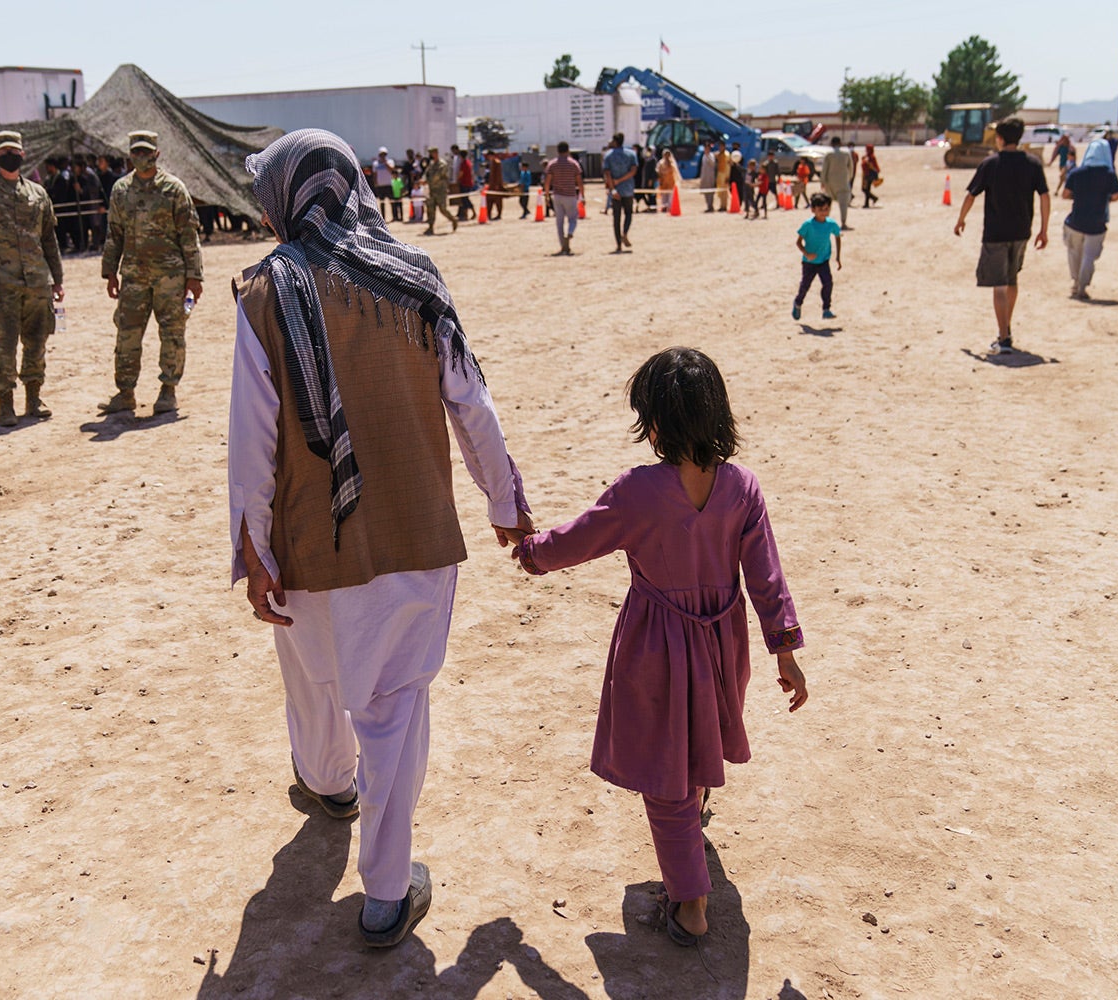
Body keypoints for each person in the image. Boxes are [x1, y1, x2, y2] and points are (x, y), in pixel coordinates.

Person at [231, 128, 534, 950]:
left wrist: (254, 550)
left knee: (314, 675)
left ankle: (328, 786)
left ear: (287, 194)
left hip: (305, 540)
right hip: (414, 537)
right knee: (394, 708)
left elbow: (251, 442)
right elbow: (471, 402)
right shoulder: (415, 276)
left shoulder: (267, 289)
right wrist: (503, 500)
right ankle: (385, 896)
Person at [510, 346, 806, 947]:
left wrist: (530, 551)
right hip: (723, 643)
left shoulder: (638, 491)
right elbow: (766, 577)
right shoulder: (742, 488)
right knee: (695, 747)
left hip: (656, 649)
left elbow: (575, 542)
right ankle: (692, 832)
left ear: (654, 424)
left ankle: (690, 904)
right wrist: (785, 649)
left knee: (664, 775)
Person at [0, 130, 65, 426]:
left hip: (37, 284)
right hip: (2, 285)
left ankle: (34, 398)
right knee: (4, 345)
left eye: (15, 151)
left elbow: (49, 240)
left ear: (22, 154)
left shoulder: (37, 193)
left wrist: (57, 279)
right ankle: (5, 404)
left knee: (37, 342)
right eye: (4, 151)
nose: (11, 155)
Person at [99, 131, 204, 415]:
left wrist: (194, 276)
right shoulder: (121, 190)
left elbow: (188, 235)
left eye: (146, 152)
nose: (141, 157)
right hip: (133, 277)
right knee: (127, 334)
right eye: (136, 152)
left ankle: (168, 390)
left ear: (156, 154)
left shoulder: (174, 189)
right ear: (130, 155)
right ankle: (125, 392)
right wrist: (110, 272)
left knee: (172, 332)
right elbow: (114, 234)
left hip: (170, 277)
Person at [952, 118, 1050, 356]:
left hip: (996, 233)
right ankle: (1005, 328)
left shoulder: (990, 164)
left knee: (999, 286)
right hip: (1021, 231)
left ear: (1000, 138)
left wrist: (960, 219)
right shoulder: (1032, 164)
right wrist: (1044, 229)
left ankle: (1004, 337)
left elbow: (971, 195)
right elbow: (1045, 196)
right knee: (1012, 280)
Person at [1061, 138, 1118, 300]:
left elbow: (1065, 194)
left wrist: (1079, 195)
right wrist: (1104, 198)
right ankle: (1082, 286)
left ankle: (1075, 282)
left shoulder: (1076, 173)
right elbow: (1116, 195)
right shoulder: (1109, 175)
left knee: (1074, 253)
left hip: (1076, 220)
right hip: (1097, 221)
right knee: (1089, 257)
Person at [792, 192, 842, 320]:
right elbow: (798, 242)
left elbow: (837, 236)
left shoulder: (831, 224)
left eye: (826, 209)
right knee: (805, 285)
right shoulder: (808, 225)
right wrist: (806, 254)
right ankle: (798, 303)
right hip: (809, 263)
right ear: (813, 209)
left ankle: (826, 309)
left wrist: (838, 256)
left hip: (823, 261)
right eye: (820, 209)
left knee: (828, 283)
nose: (824, 212)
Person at [544, 141, 584, 255]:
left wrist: (547, 195)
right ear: (568, 150)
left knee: (559, 222)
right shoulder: (573, 164)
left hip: (557, 195)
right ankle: (570, 232)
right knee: (573, 218)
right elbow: (579, 181)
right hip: (570, 195)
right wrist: (582, 194)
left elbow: (547, 181)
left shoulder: (552, 164)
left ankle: (563, 246)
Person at [603, 132, 638, 252]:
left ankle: (618, 244)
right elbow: (633, 171)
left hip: (616, 190)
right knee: (628, 213)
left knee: (616, 218)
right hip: (628, 188)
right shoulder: (631, 154)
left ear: (615, 141)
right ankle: (625, 232)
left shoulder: (608, 155)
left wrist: (613, 187)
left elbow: (607, 173)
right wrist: (621, 180)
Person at [821, 137, 854, 230]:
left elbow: (824, 169)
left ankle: (824, 222)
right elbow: (851, 168)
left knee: (827, 203)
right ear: (840, 143)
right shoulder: (846, 154)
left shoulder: (829, 155)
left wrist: (823, 181)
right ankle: (843, 223)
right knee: (843, 204)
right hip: (843, 181)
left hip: (830, 182)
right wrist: (848, 178)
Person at [423, 146, 458, 235]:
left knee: (443, 209)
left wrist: (426, 181)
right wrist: (422, 180)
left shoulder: (442, 164)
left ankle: (453, 220)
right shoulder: (431, 164)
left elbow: (437, 176)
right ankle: (430, 227)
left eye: (432, 153)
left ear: (436, 153)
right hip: (432, 190)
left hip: (440, 191)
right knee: (430, 209)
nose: (431, 155)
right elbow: (426, 173)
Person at [699, 142, 717, 212]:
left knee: (710, 193)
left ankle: (711, 206)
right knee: (705, 192)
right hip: (704, 176)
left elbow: (713, 164)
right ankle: (708, 206)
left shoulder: (711, 155)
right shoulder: (703, 156)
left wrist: (708, 156)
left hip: (710, 177)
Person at [715, 141, 731, 211]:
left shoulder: (726, 155)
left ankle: (724, 206)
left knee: (724, 191)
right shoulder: (719, 154)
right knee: (720, 191)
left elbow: (728, 166)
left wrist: (727, 176)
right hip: (720, 173)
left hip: (724, 174)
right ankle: (721, 205)